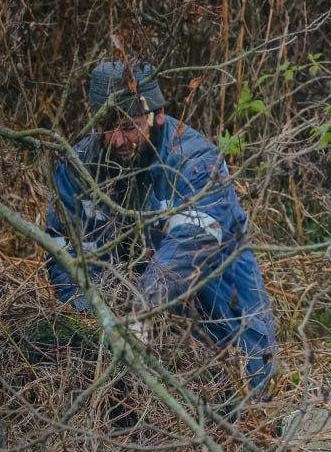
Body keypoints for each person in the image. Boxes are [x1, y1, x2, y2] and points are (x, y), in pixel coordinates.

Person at [45, 59, 278, 394]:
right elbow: (63, 249)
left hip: (225, 322)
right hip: (129, 323)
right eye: (107, 128)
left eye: (129, 127)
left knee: (233, 398)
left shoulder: (196, 163)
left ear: (158, 115)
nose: (117, 140)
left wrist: (140, 309)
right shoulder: (79, 168)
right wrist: (88, 316)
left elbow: (191, 245)